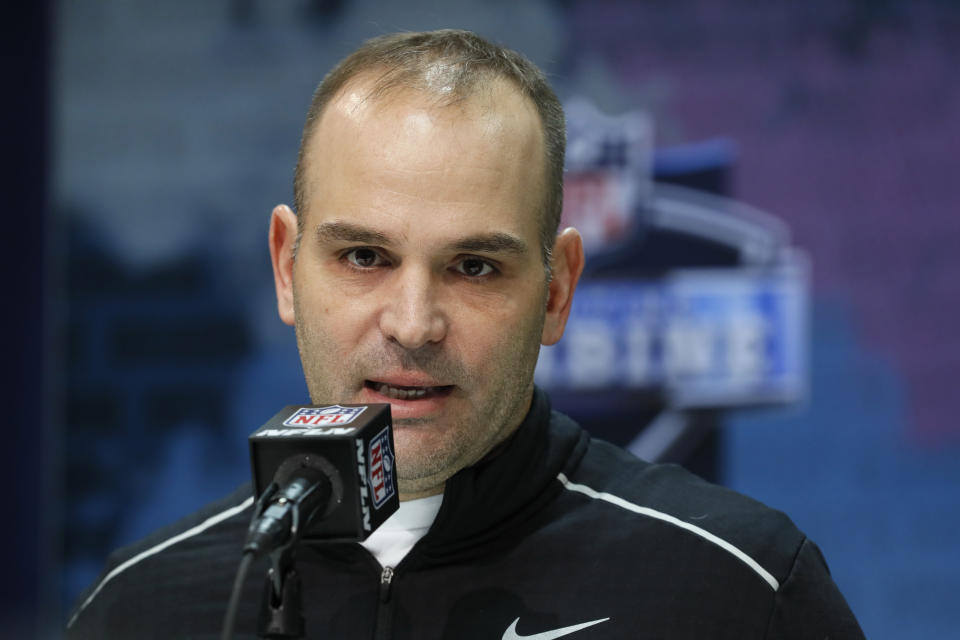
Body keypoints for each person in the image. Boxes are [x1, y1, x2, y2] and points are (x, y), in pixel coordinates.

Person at [66, 30, 865, 639]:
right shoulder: (142, 605)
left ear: (557, 291)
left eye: (475, 267)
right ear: (286, 266)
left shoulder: (738, 592)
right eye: (364, 256)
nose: (413, 324)